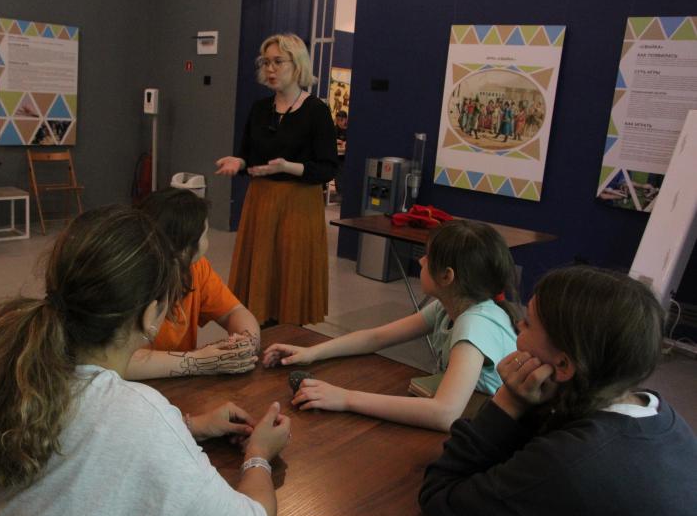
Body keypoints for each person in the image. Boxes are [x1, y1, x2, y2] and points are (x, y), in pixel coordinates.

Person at [0, 206, 291, 516]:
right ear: (151, 315)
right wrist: (259, 454)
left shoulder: (13, 373)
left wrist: (189, 425)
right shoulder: (136, 413)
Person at [419, 266, 697, 516]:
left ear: (563, 364)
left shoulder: (568, 461)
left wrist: (508, 401)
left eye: (528, 323)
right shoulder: (660, 413)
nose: (518, 326)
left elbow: (440, 494)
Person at [263, 220, 519, 432]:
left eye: (427, 257)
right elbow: (377, 337)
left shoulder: (474, 326)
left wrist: (346, 398)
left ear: (447, 276)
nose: (421, 262)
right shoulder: (450, 306)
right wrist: (312, 352)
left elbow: (444, 413)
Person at [215, 33, 338, 327]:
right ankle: (258, 333)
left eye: (278, 62)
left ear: (297, 65)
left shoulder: (316, 111)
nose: (270, 69)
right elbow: (249, 156)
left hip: (298, 206)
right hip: (261, 202)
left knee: (289, 279)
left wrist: (288, 167)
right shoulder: (260, 109)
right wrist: (240, 162)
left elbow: (327, 168)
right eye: (266, 62)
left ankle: (288, 337)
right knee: (261, 280)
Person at [126, 187, 261, 380]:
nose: (207, 240)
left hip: (178, 383)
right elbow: (115, 363)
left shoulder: (195, 268)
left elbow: (234, 312)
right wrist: (198, 361)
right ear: (184, 249)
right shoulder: (128, 281)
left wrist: (247, 343)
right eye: (205, 234)